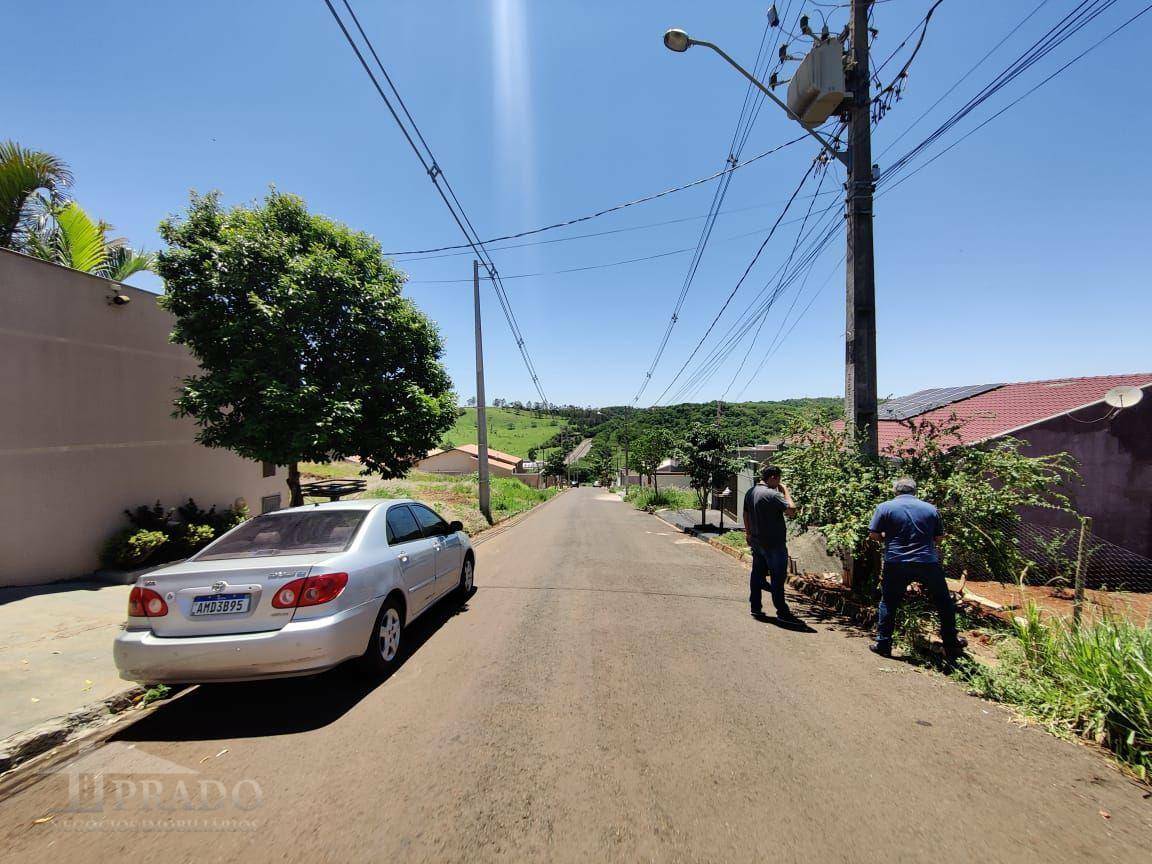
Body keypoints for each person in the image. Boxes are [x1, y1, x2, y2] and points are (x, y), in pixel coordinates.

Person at [867, 477, 967, 659]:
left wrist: (887, 539)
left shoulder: (885, 507)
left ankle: (883, 644)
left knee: (889, 602)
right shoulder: (930, 509)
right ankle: (951, 643)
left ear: (895, 491)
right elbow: (939, 538)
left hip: (896, 561)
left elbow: (873, 534)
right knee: (944, 602)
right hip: (927, 562)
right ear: (914, 491)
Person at [743, 465, 801, 623]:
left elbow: (745, 514)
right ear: (774, 478)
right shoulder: (772, 495)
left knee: (757, 574)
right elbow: (792, 511)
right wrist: (786, 490)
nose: (780, 482)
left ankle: (755, 607)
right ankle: (782, 611)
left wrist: (748, 533)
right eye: (779, 479)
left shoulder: (751, 492)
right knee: (777, 577)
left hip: (756, 540)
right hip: (774, 543)